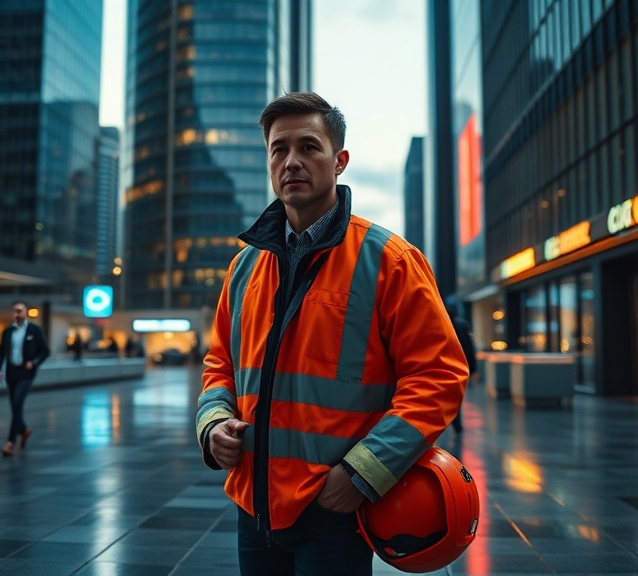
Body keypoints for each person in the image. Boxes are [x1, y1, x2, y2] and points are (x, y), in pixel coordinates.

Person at [195, 92, 470, 575]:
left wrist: (362, 473)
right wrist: (213, 425)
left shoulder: (389, 260)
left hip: (336, 510)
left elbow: (438, 377)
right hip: (252, 506)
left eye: (308, 147)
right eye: (279, 149)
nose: (291, 161)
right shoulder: (243, 268)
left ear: (339, 161)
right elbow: (220, 363)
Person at [0, 301, 50, 456]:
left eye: (20, 311)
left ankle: (10, 442)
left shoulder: (35, 330)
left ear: (26, 312)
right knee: (15, 406)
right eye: (15, 311)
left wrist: (34, 362)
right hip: (12, 372)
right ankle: (24, 429)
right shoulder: (7, 332)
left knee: (17, 402)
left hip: (26, 372)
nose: (17, 314)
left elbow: (45, 351)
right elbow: (1, 352)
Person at [446, 300, 478, 434]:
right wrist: (474, 369)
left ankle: (451, 421)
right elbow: (469, 348)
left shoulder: (440, 325)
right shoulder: (462, 325)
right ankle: (456, 423)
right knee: (456, 395)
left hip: (445, 365)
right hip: (459, 366)